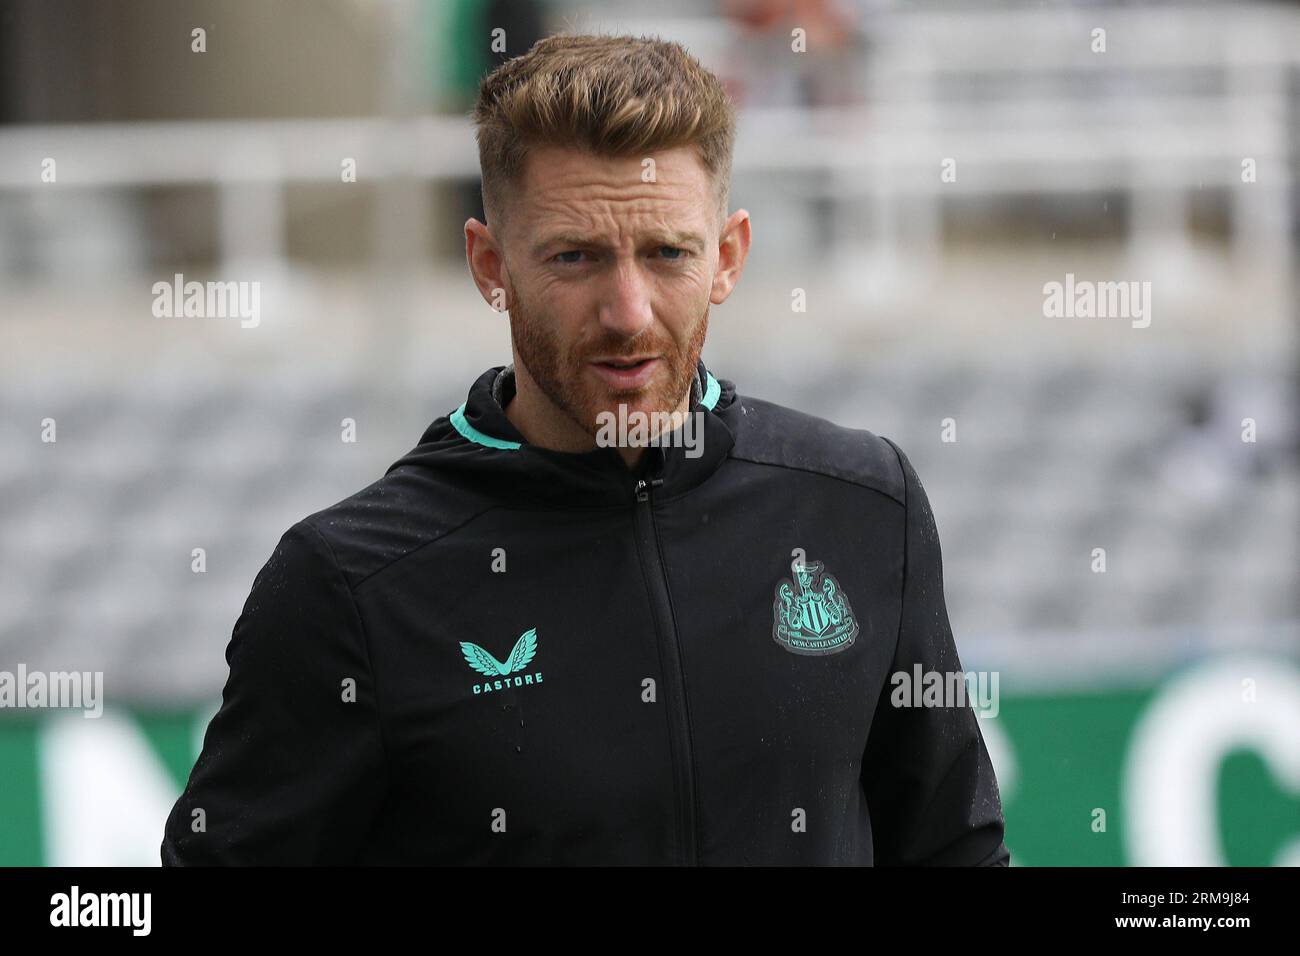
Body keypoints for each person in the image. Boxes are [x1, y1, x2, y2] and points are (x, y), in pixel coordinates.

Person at [161, 32, 1009, 866]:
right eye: (575, 257)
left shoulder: (860, 505)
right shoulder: (350, 583)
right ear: (490, 265)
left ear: (728, 256)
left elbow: (953, 849)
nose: (629, 312)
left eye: (667, 253)